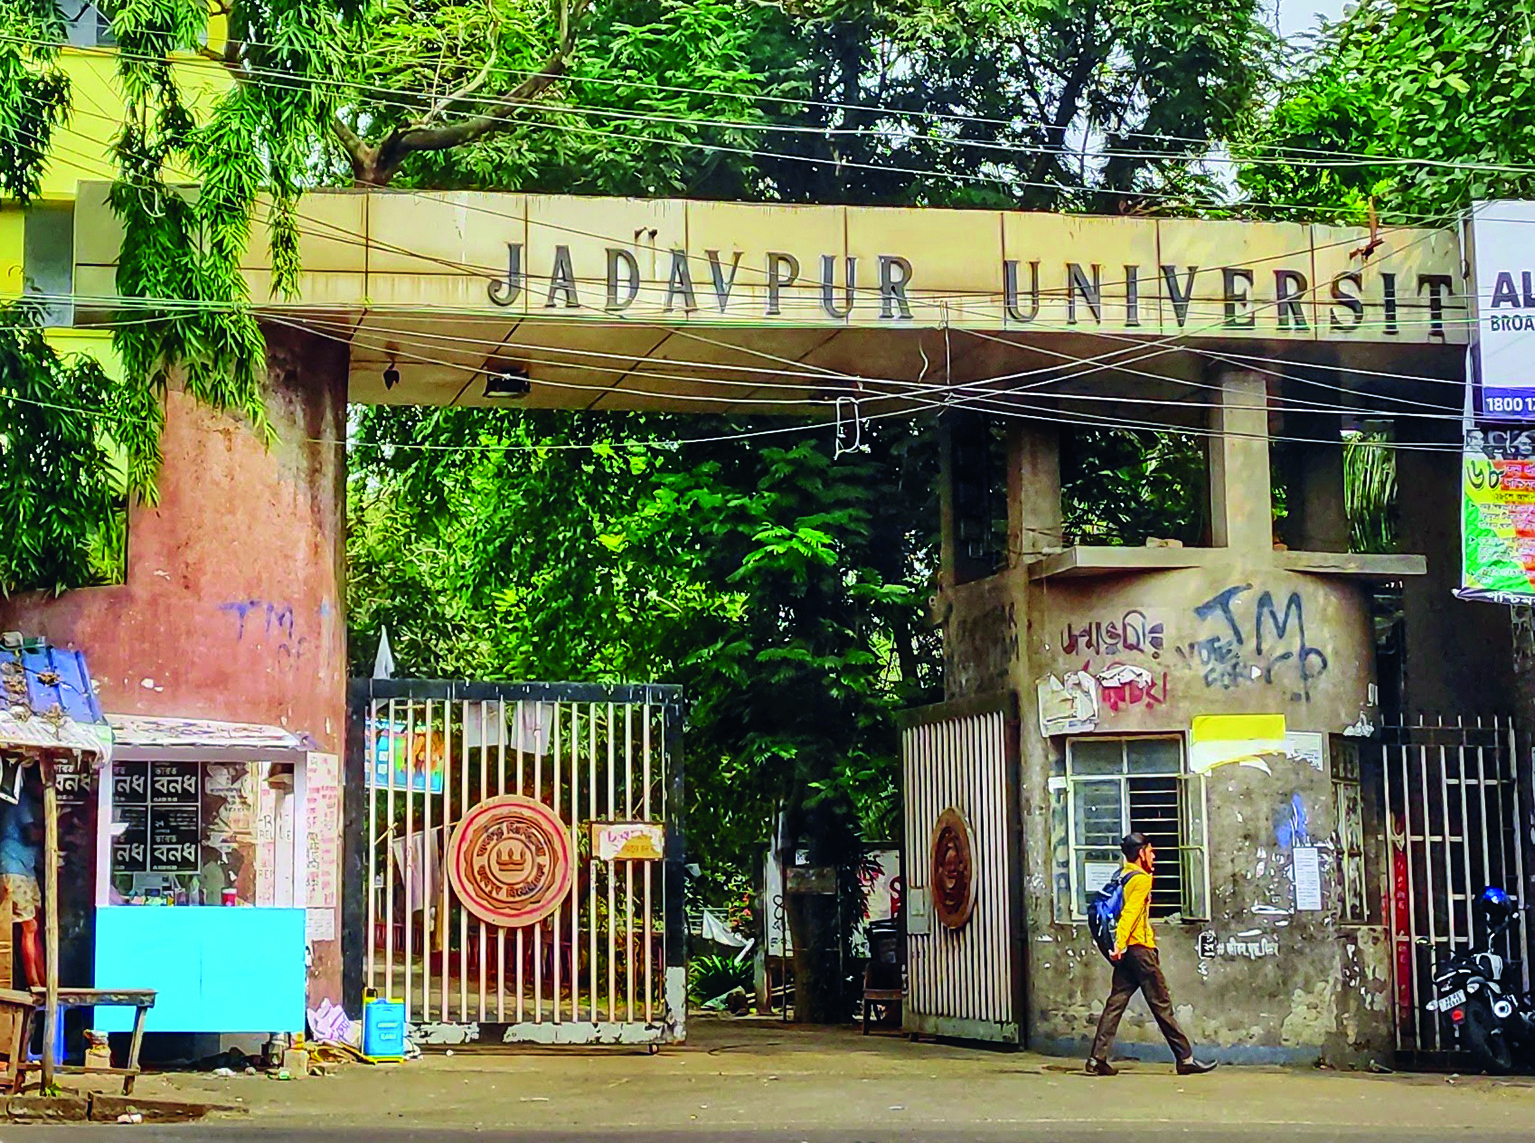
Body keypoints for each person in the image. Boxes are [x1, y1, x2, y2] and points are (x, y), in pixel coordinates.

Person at [1087, 832, 1217, 1077]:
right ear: (1140, 853)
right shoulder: (1141, 879)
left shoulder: (1121, 875)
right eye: (1150, 850)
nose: (1154, 855)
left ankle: (1097, 1058)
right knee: (1162, 1005)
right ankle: (1185, 1058)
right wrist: (1119, 944)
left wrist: (1119, 947)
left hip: (1128, 953)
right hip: (1140, 952)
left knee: (1116, 1002)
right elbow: (1130, 915)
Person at [0, 775, 44, 988]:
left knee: (35, 926)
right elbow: (31, 835)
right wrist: (53, 828)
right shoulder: (21, 800)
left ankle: (42, 979)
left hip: (26, 869)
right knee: (29, 926)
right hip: (14, 868)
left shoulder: (30, 803)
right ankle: (34, 982)